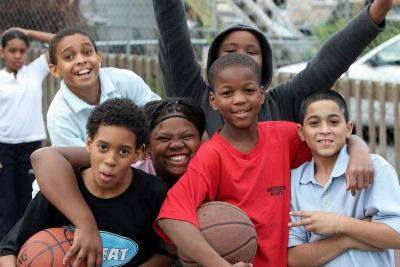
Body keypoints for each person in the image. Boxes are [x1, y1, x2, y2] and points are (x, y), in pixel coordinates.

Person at [154, 52, 312, 267]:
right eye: (227, 93)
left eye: (248, 90)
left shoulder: (285, 136)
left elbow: (331, 140)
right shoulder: (211, 156)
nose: (239, 99)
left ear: (262, 94)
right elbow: (171, 218)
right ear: (213, 100)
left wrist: (357, 147)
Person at [152, 0, 393, 136]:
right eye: (231, 50)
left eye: (252, 51)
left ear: (265, 66)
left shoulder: (283, 103)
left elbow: (328, 62)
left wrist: (378, 10)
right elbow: (173, 35)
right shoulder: (193, 97)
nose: (241, 58)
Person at [30, 97, 206, 266]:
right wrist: (85, 224)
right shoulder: (125, 167)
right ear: (145, 149)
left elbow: (169, 251)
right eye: (164, 138)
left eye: (187, 136)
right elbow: (44, 156)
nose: (176, 144)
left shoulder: (162, 188)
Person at [0, 98, 174, 267]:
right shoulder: (60, 190)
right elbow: (8, 250)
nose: (110, 160)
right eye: (103, 147)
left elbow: (168, 251)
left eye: (123, 151)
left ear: (138, 154)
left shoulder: (153, 192)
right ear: (89, 143)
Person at [287, 90, 400, 267]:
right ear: (301, 132)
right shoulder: (294, 181)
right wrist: (347, 238)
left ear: (348, 129)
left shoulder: (376, 168)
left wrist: (340, 223)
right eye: (314, 123)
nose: (325, 130)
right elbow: (294, 258)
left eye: (333, 122)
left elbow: (396, 235)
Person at [46, 27, 160, 147]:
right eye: (68, 57)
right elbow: (80, 161)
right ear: (55, 70)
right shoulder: (59, 117)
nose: (81, 60)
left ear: (99, 58)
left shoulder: (125, 80)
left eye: (87, 52)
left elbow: (158, 117)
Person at [0, 27, 54, 239]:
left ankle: (26, 246)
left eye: (22, 50)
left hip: (31, 148)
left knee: (28, 200)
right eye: (12, 50)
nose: (17, 55)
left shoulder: (35, 71)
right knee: (6, 202)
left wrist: (27, 33)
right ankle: (4, 250)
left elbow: (59, 40)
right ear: (2, 52)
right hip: (4, 149)